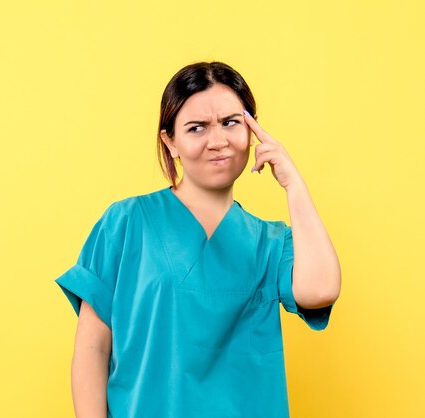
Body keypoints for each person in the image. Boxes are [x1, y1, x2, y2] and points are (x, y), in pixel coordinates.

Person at [55, 61, 341, 418]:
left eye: (231, 122)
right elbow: (92, 349)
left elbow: (321, 290)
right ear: (170, 142)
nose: (217, 140)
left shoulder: (271, 243)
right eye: (196, 128)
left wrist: (294, 185)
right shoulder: (126, 223)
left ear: (252, 130)